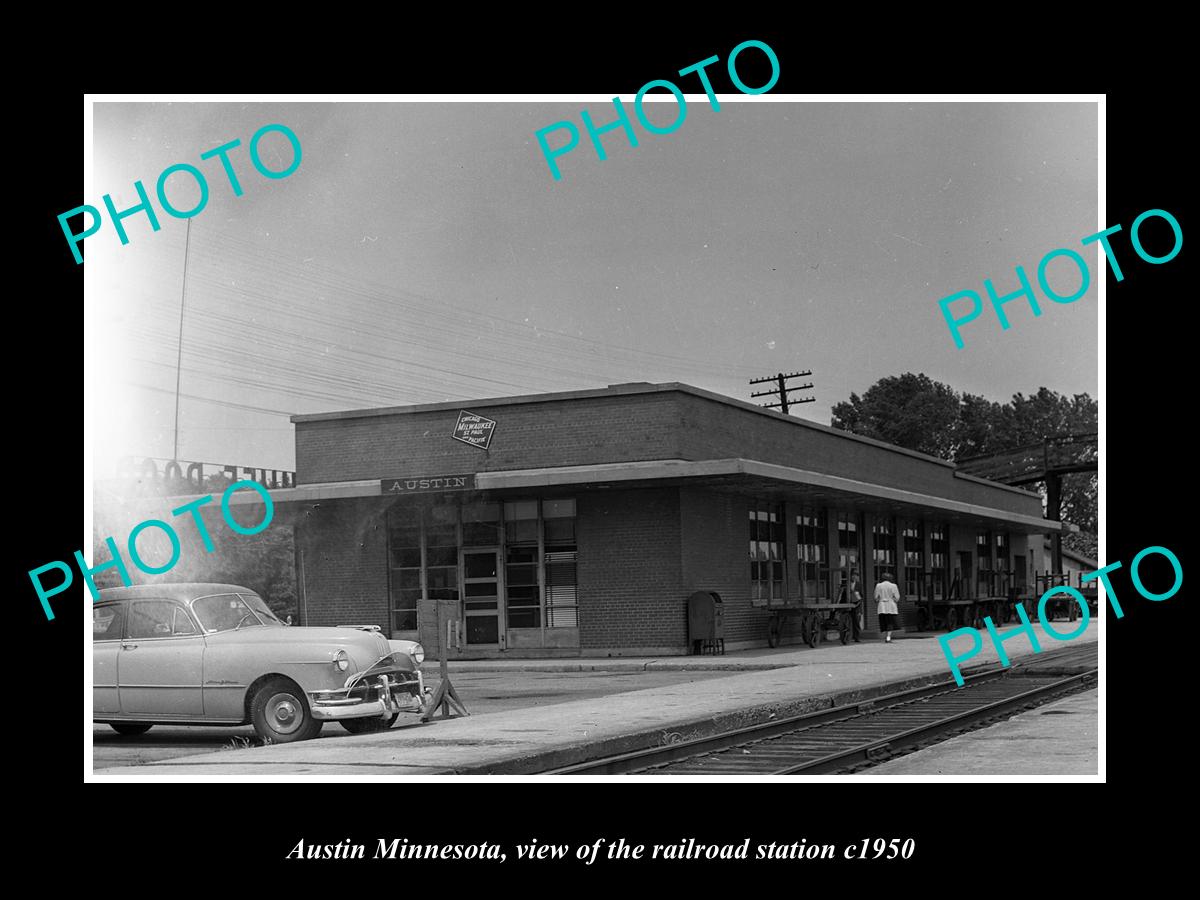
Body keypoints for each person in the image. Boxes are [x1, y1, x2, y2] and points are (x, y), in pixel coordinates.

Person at [874, 571, 901, 643]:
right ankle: (888, 637)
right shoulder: (894, 586)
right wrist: (893, 599)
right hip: (891, 606)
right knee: (890, 622)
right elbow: (897, 598)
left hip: (882, 606)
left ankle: (887, 637)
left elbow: (876, 598)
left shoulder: (878, 585)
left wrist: (880, 599)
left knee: (884, 622)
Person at [848, 568, 864, 643]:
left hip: (856, 604)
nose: (854, 577)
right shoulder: (847, 583)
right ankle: (848, 636)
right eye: (853, 575)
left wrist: (858, 602)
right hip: (848, 604)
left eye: (856, 575)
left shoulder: (859, 584)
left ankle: (856, 637)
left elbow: (861, 595)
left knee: (856, 621)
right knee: (848, 621)